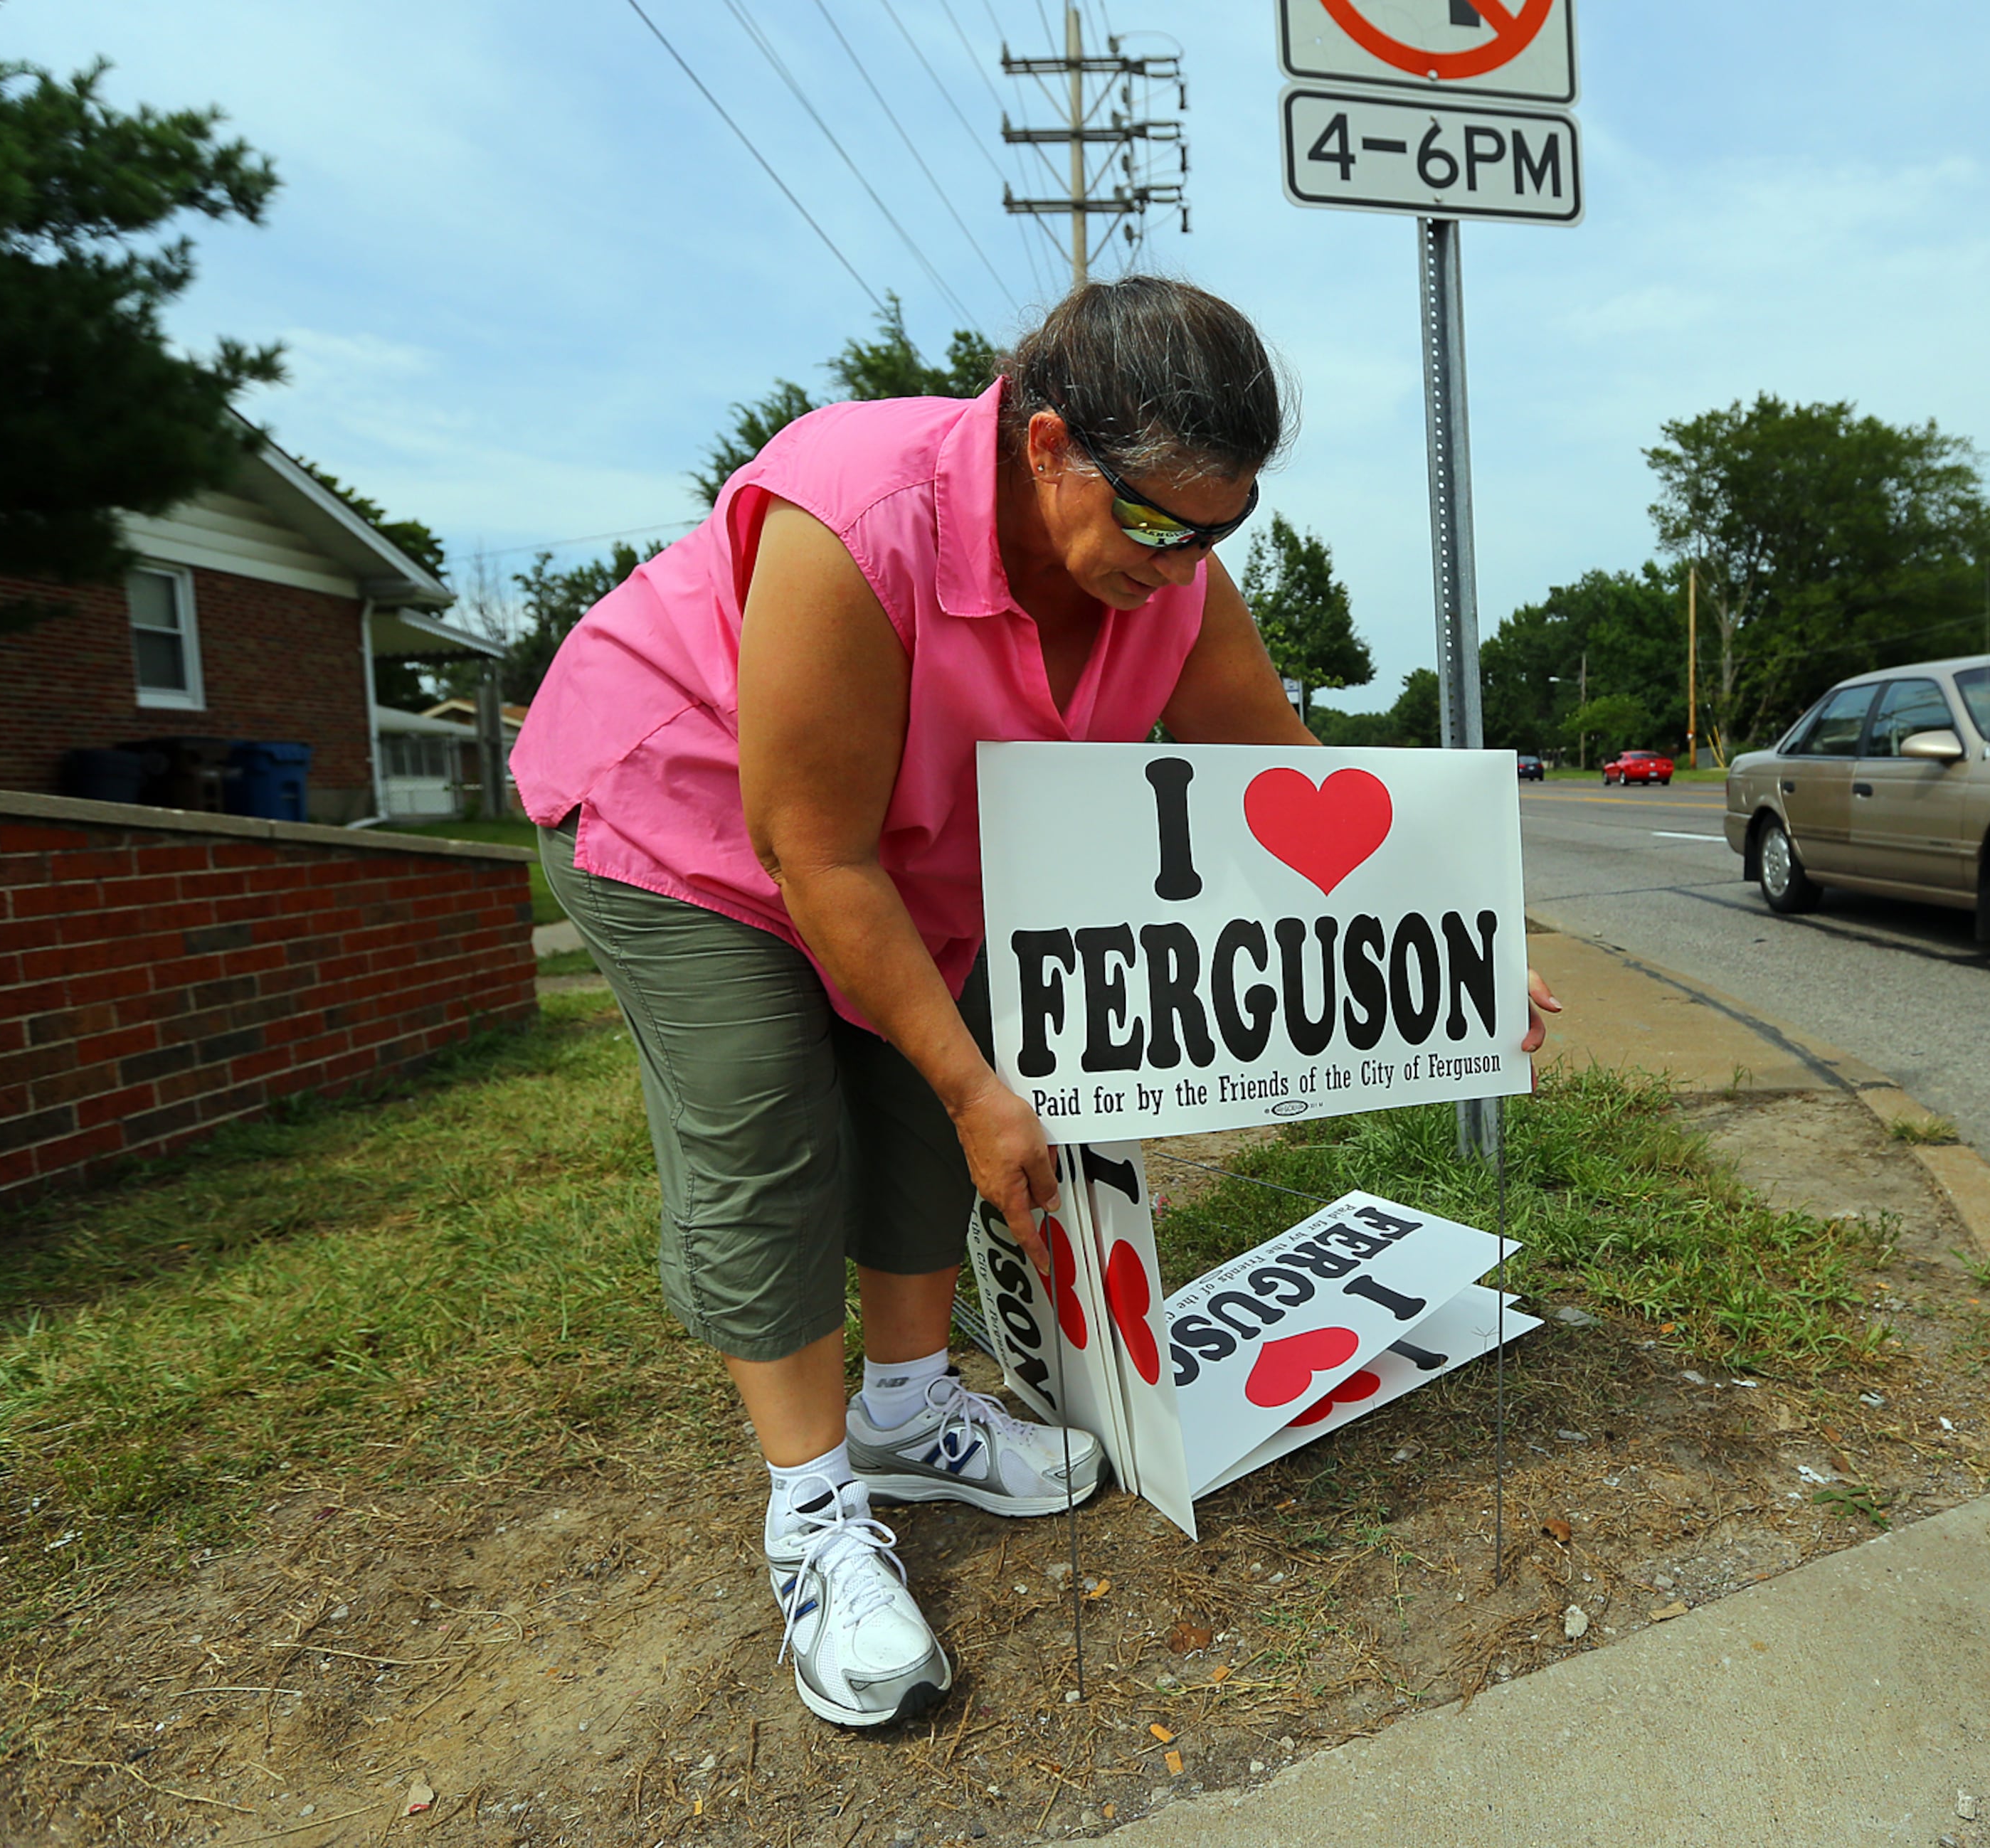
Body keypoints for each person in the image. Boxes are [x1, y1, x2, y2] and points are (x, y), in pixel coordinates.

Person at [510, 277, 1557, 1729]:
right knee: (771, 1118)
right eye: (1154, 523)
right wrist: (971, 1082)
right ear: (1049, 440)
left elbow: (1280, 760)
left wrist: (1461, 938)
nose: (1182, 564)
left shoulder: (1169, 570)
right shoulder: (858, 517)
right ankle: (813, 1515)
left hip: (908, 854)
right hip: (684, 815)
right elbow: (809, 847)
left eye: (1220, 531)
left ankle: (907, 1407)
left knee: (928, 1104)